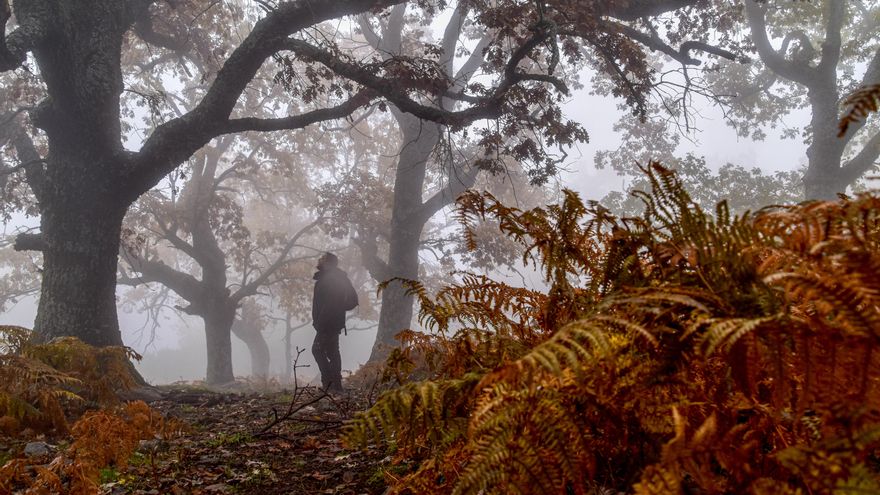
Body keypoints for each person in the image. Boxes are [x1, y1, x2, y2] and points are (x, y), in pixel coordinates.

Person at [311, 252, 358, 392]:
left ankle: (329, 382)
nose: (319, 260)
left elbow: (332, 303)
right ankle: (336, 385)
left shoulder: (331, 278)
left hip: (328, 322)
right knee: (332, 351)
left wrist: (321, 322)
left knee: (317, 350)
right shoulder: (332, 277)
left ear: (328, 263)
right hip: (332, 321)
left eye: (323, 259)